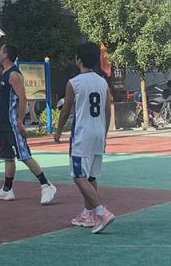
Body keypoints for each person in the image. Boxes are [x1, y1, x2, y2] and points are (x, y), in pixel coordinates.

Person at [54, 43, 115, 234]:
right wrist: (104, 134)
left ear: (78, 60)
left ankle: (101, 212)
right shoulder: (102, 82)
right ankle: (87, 214)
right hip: (98, 133)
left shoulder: (74, 83)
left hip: (82, 135)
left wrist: (58, 131)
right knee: (91, 176)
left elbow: (65, 110)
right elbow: (107, 111)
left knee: (79, 176)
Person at [0, 44, 57, 204]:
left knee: (24, 155)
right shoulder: (3, 73)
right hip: (4, 124)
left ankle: (46, 185)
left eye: (0, 51)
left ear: (6, 55)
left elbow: (23, 98)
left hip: (13, 123)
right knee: (8, 157)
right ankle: (7, 189)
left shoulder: (14, 75)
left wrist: (20, 121)